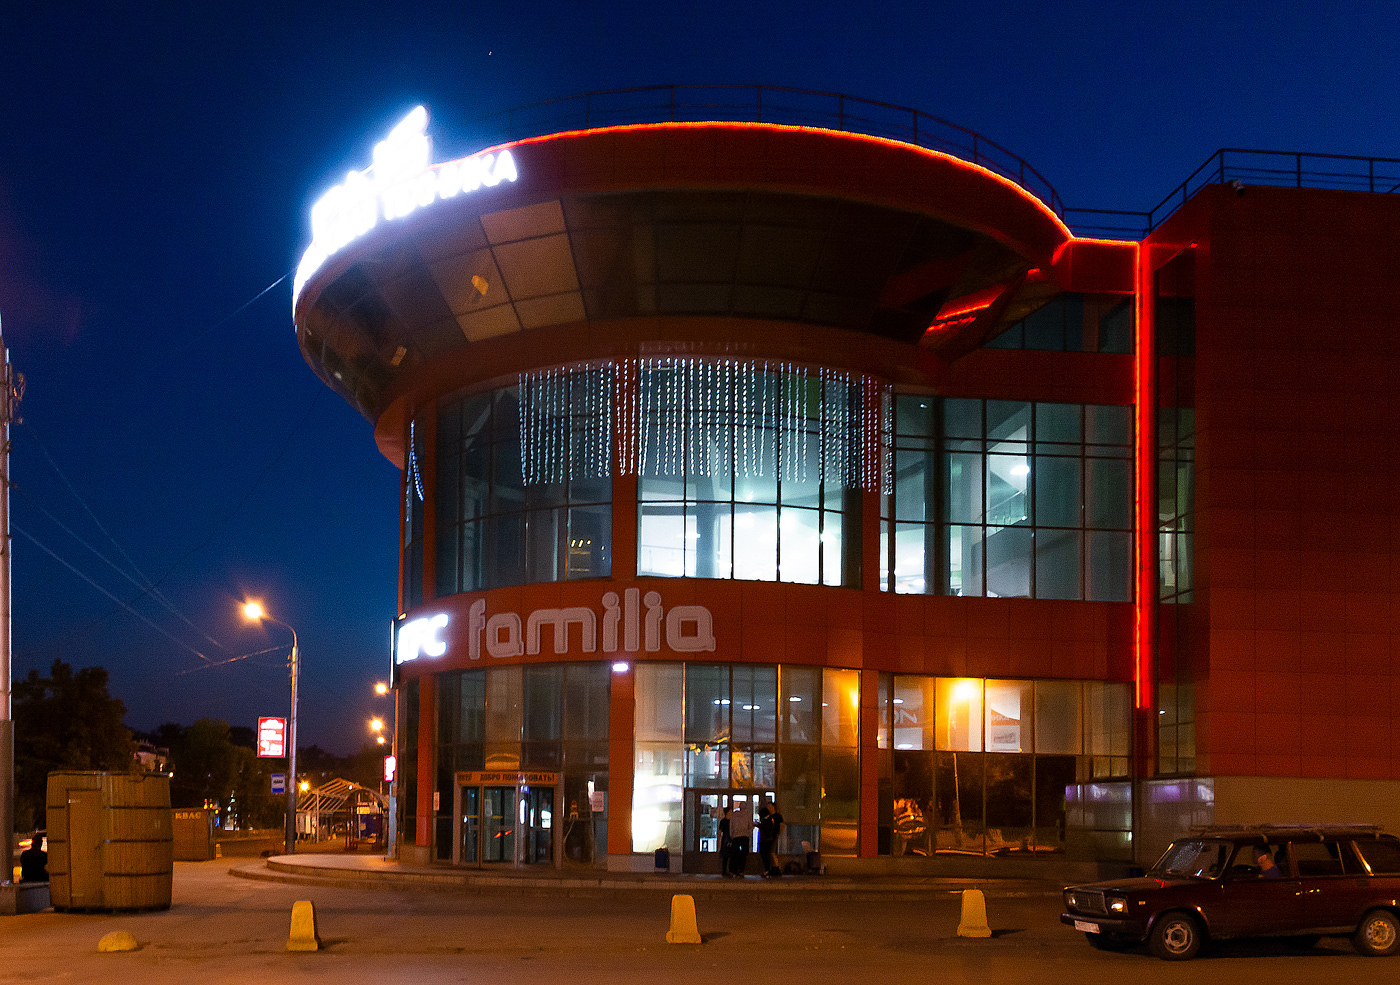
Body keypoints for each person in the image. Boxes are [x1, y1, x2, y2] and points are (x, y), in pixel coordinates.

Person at [730, 802, 752, 876]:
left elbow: (731, 825)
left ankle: (734, 870)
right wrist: (748, 833)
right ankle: (741, 870)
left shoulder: (734, 815)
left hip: (736, 836)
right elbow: (750, 826)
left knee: (735, 854)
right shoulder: (748, 815)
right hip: (745, 836)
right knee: (744, 854)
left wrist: (731, 835)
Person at [758, 805, 775, 877]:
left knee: (765, 855)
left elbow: (766, 828)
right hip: (767, 840)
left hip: (765, 840)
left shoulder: (768, 820)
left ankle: (767, 870)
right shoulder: (770, 820)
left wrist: (758, 825)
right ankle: (767, 870)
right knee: (766, 855)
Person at [768, 801, 785, 877]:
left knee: (772, 852)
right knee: (771, 852)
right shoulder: (769, 816)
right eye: (768, 807)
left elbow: (782, 825)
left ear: (773, 807)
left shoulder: (777, 816)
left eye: (770, 807)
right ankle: (773, 867)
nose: (769, 808)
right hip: (769, 836)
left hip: (774, 835)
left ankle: (776, 867)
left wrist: (779, 833)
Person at [718, 807, 734, 877]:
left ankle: (729, 870)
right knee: (726, 856)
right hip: (726, 839)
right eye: (730, 812)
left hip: (730, 838)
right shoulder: (724, 821)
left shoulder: (731, 821)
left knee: (730, 855)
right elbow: (719, 832)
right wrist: (718, 840)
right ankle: (725, 871)